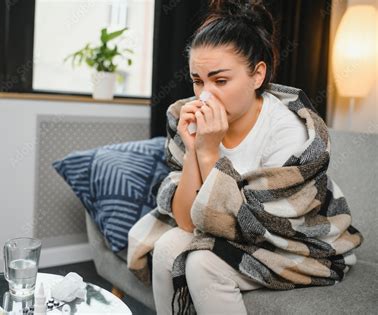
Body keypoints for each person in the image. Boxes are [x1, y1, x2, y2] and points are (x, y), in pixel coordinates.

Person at [146, 1, 362, 314]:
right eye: (197, 80)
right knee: (166, 246)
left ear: (257, 75)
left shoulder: (289, 132)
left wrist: (209, 152)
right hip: (239, 234)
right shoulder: (189, 119)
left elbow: (256, 228)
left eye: (220, 81)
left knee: (203, 263)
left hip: (300, 244)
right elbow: (185, 221)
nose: (205, 96)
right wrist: (195, 148)